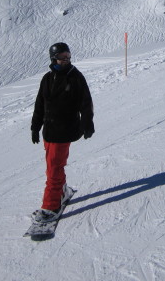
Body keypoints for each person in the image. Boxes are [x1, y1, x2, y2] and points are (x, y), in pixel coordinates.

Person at [31, 42, 94, 222]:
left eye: (68, 56)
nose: (66, 60)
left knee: (54, 169)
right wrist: (35, 127)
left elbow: (86, 103)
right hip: (49, 132)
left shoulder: (75, 77)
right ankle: (62, 191)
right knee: (53, 166)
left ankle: (51, 206)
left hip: (64, 130)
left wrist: (88, 124)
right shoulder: (47, 79)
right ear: (54, 58)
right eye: (62, 57)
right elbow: (39, 106)